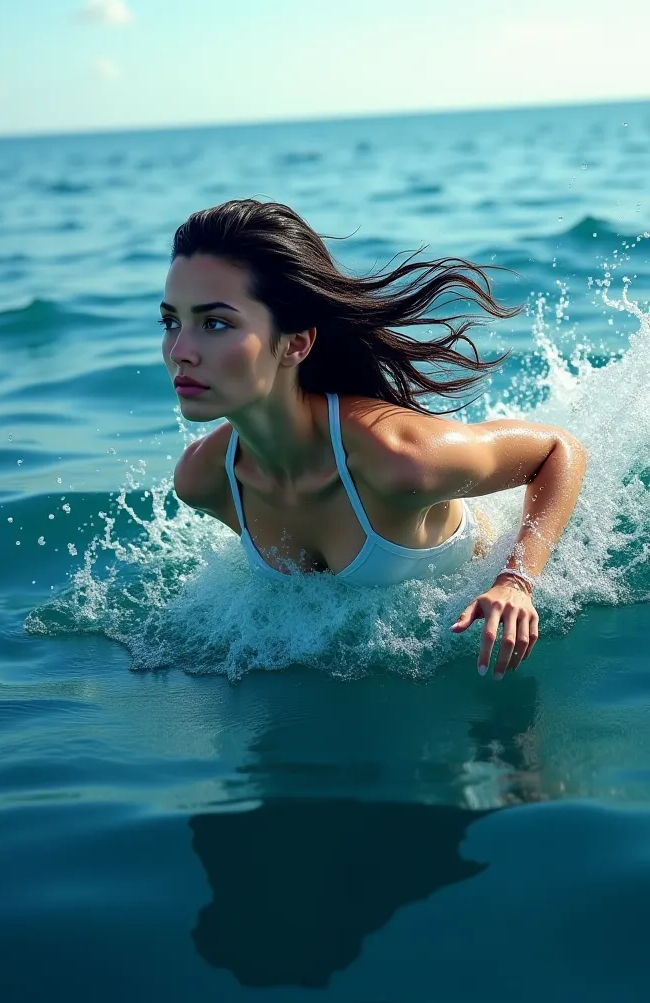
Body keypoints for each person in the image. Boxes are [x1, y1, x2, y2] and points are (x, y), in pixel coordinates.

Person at [161, 199, 587, 679]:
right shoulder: (204, 479)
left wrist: (516, 579)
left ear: (296, 342)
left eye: (215, 323)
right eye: (171, 321)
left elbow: (558, 449)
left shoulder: (399, 460)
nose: (180, 351)